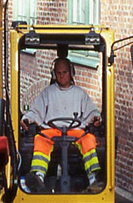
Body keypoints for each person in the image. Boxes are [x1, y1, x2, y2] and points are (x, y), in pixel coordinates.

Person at [20, 58, 102, 191]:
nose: (62, 75)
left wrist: (97, 118)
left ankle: (93, 179)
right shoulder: (47, 93)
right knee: (40, 139)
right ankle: (38, 178)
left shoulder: (80, 94)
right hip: (52, 130)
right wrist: (26, 119)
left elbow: (92, 111)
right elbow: (35, 111)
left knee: (88, 139)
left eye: (64, 72)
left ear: (71, 73)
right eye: (58, 73)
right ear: (54, 74)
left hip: (74, 130)